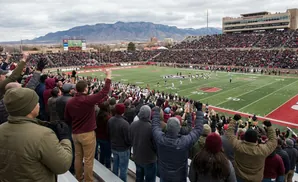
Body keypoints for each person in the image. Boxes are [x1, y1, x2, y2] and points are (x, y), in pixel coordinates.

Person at [0, 87, 72, 182]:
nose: (38, 104)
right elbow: (63, 165)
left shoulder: (2, 128)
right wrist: (65, 139)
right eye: (36, 102)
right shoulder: (43, 135)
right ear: (29, 108)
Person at [65, 69, 111, 182]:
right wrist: (108, 76)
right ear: (85, 89)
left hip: (75, 133)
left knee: (78, 157)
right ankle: (88, 180)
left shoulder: (70, 101)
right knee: (89, 160)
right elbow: (104, 92)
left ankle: (79, 178)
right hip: (87, 134)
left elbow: (67, 118)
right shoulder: (87, 100)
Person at [152, 101, 204, 182]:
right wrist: (199, 110)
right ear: (179, 129)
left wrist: (157, 106)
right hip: (180, 177)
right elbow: (198, 129)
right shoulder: (184, 142)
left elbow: (155, 125)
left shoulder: (160, 139)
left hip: (164, 175)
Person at [226, 117, 277, 182]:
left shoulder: (238, 146)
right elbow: (273, 141)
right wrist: (269, 127)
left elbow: (229, 134)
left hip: (239, 177)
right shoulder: (262, 150)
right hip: (256, 179)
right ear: (256, 139)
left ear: (245, 137)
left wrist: (234, 120)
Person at [130, 105, 157, 182]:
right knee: (150, 180)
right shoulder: (151, 128)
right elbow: (156, 146)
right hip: (149, 160)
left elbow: (131, 139)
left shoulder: (133, 124)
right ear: (149, 115)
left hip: (137, 157)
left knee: (139, 178)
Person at [108, 103, 131, 182]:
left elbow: (109, 133)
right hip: (123, 149)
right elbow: (128, 139)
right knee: (123, 169)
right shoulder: (125, 124)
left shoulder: (110, 120)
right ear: (123, 111)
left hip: (114, 146)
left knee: (115, 165)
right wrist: (128, 145)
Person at [95, 101, 112, 169]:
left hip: (98, 137)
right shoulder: (108, 118)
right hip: (105, 138)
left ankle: (101, 164)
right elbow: (109, 130)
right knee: (107, 154)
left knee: (102, 152)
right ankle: (107, 167)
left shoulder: (98, 115)